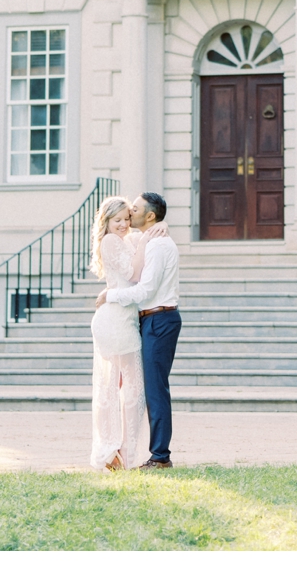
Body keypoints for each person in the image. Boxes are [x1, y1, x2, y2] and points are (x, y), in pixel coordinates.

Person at [96, 190, 180, 469]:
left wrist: (111, 295)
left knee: (150, 390)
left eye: (133, 210)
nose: (129, 215)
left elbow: (144, 286)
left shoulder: (154, 243)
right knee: (123, 388)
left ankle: (158, 456)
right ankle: (117, 451)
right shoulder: (135, 239)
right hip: (134, 319)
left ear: (150, 216)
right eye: (120, 216)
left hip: (155, 319)